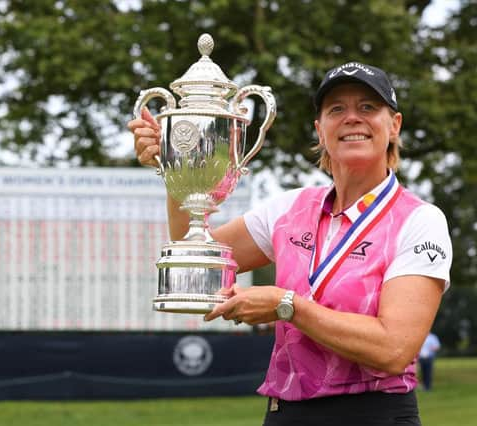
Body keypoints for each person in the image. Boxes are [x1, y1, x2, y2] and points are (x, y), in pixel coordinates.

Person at [129, 61, 453, 426]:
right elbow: (199, 254)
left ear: (394, 125)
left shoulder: (420, 221)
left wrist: (288, 306)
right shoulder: (290, 208)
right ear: (320, 130)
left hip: (374, 413)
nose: (352, 118)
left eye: (367, 107)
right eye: (336, 109)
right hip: (286, 414)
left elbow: (394, 349)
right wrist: (178, 163)